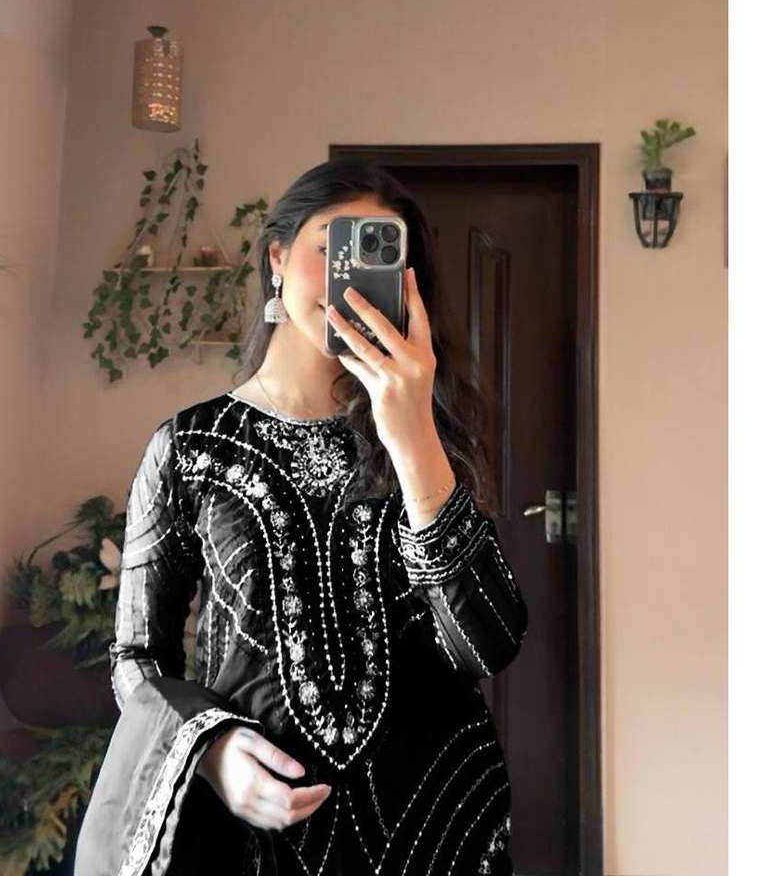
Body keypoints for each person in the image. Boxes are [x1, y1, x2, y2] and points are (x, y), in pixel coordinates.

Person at [74, 158, 529, 876]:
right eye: (333, 247)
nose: (354, 280)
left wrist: (412, 435)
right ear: (277, 259)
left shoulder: (431, 433)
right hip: (261, 838)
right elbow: (138, 658)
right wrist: (212, 752)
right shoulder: (189, 446)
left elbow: (490, 644)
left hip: (437, 826)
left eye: (382, 259)